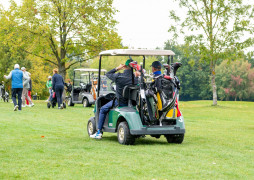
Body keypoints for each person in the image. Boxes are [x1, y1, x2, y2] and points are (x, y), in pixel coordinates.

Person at [90, 59, 138, 139]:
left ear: (125, 66)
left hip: (120, 102)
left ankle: (99, 132)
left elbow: (108, 74)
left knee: (102, 109)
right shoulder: (136, 78)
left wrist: (117, 68)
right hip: (132, 103)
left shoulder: (119, 76)